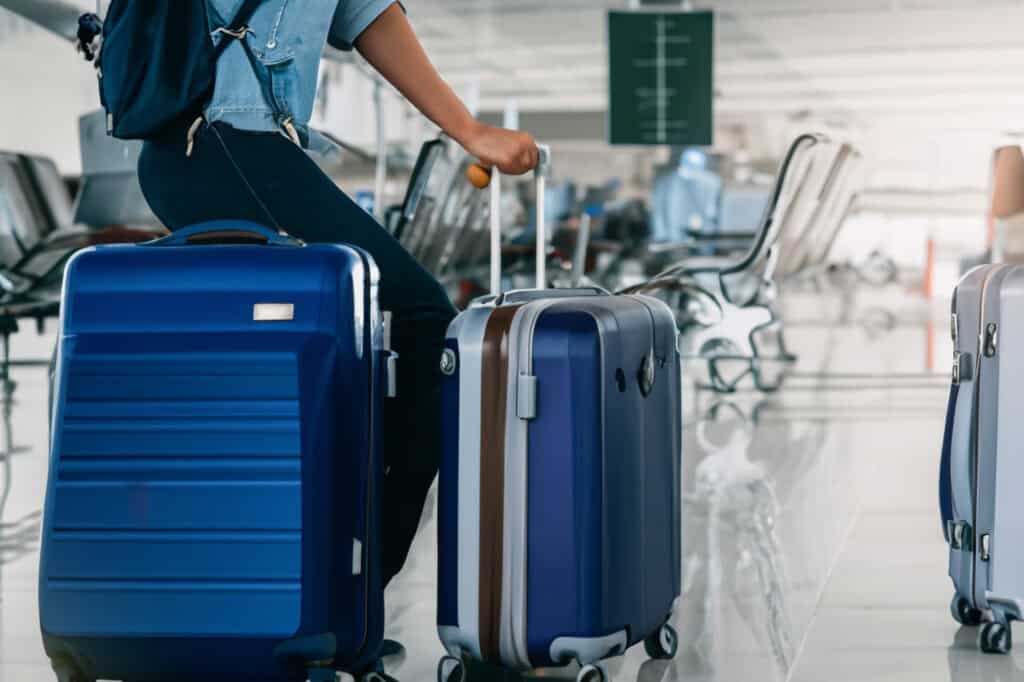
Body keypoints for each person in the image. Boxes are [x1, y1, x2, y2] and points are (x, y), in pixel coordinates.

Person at [137, 0, 538, 586]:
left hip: (224, 148)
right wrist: (471, 132)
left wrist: (471, 131)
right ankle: (346, 589)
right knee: (424, 326)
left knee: (333, 354)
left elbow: (364, 13)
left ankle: (298, 581)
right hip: (223, 143)